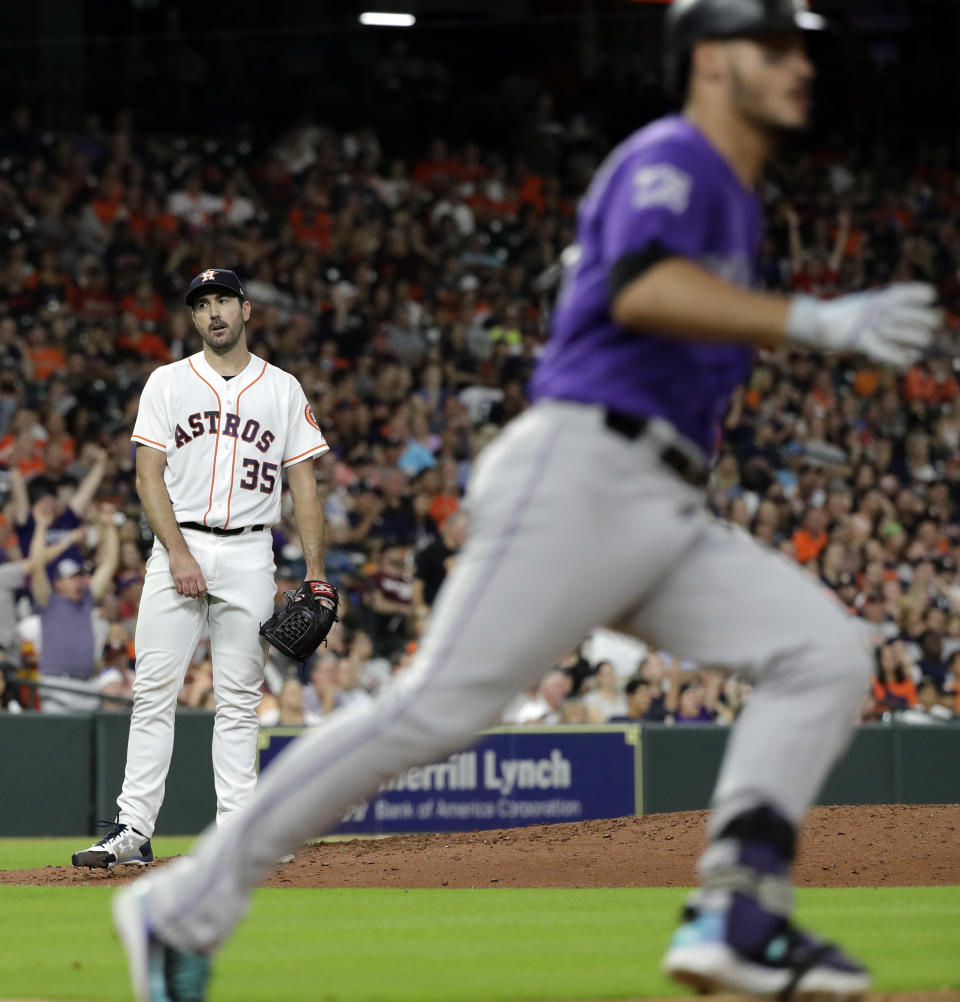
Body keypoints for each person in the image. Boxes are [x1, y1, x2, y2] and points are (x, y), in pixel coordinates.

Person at [112, 4, 940, 999]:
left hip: (660, 500)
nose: (801, 64)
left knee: (827, 654)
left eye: (804, 44)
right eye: (776, 47)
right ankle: (181, 905)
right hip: (581, 470)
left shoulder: (739, 200)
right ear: (715, 61)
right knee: (431, 715)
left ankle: (739, 905)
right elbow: (638, 289)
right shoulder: (669, 158)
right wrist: (818, 319)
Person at [73, 267, 332, 869]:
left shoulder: (283, 388)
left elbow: (304, 486)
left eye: (223, 302)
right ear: (194, 319)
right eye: (202, 305)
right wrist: (180, 553)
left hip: (249, 551)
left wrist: (315, 571)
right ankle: (132, 830)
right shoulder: (167, 383)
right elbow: (147, 476)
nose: (213, 313)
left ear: (246, 310)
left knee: (239, 699)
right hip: (178, 544)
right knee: (153, 693)